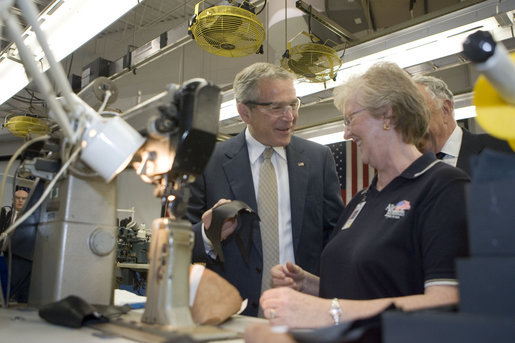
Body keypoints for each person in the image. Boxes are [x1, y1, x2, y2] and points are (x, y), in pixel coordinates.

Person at [255, 62, 470, 330]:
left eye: (350, 119)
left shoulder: (443, 186)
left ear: (388, 115)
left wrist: (331, 312)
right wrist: (308, 285)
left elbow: (445, 302)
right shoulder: (363, 199)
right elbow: (363, 288)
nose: (346, 133)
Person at [187, 62, 345, 317]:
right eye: (276, 107)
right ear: (244, 112)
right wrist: (208, 234)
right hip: (231, 312)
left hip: (302, 311)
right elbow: (175, 241)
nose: (290, 116)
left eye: (294, 104)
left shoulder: (318, 158)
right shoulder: (207, 161)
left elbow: (334, 237)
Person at [413, 75, 512, 176]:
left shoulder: (503, 149)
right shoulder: (407, 170)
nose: (406, 122)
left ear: (445, 110)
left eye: (413, 111)